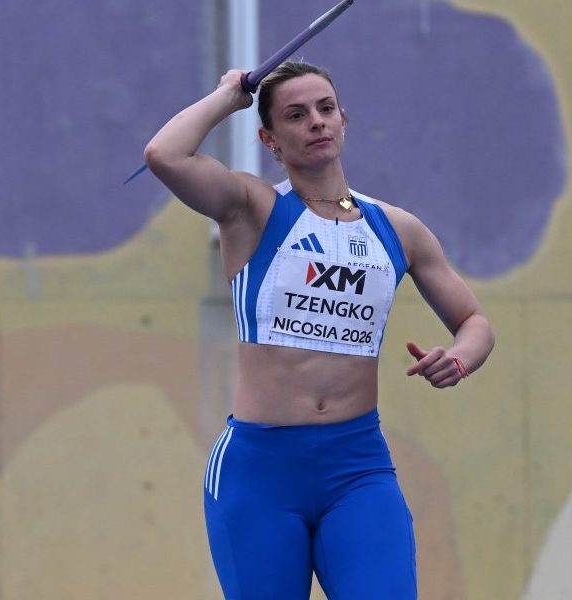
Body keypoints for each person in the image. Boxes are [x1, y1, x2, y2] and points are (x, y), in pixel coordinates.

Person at [144, 61, 494, 600]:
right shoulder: (251, 208)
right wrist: (229, 95)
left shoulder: (397, 229)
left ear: (343, 119)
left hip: (358, 468)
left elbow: (474, 322)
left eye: (326, 109)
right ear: (269, 139)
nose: (316, 121)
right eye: (296, 115)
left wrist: (461, 357)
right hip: (260, 472)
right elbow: (164, 155)